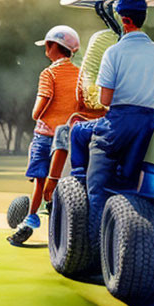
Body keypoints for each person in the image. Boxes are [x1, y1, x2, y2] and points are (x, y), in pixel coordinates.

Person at [87, 0, 154, 250]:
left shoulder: (114, 52)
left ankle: (96, 248)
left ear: (124, 21)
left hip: (119, 124)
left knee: (96, 186)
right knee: (131, 182)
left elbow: (105, 99)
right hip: (149, 125)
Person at [8, 25, 80, 246]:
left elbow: (38, 110)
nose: (45, 50)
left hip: (45, 134)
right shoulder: (80, 74)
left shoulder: (48, 73)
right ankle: (57, 221)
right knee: (59, 180)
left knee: (40, 180)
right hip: (68, 137)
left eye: (47, 45)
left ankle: (30, 221)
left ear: (54, 47)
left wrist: (37, 112)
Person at [42, 26, 118, 202]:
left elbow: (95, 101)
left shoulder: (65, 73)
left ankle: (60, 184)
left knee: (67, 131)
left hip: (111, 121)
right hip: (128, 118)